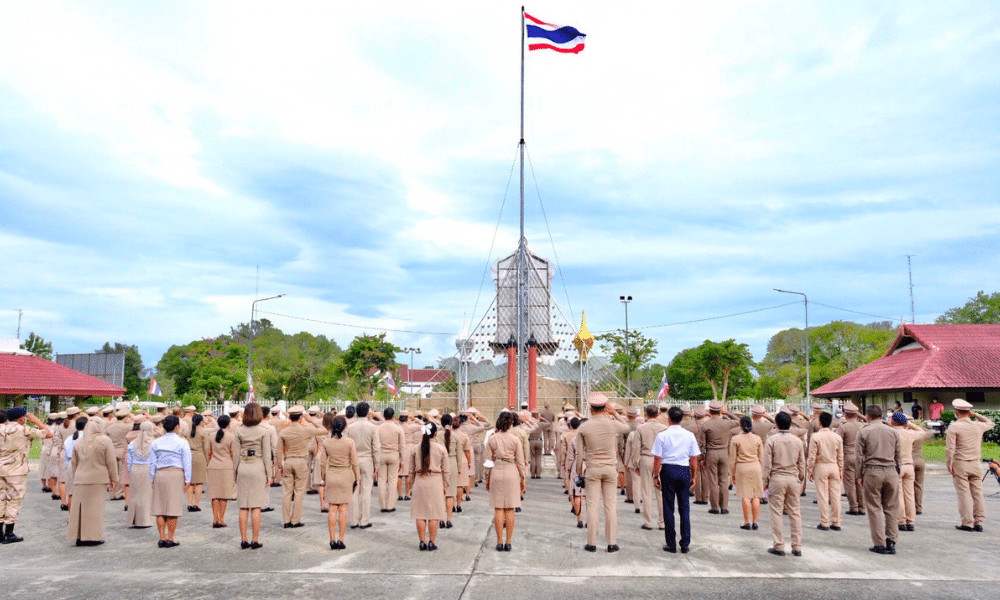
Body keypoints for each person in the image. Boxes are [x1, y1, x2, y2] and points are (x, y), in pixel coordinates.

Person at [575, 393, 631, 553]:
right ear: (605, 408)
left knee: (592, 507)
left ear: (591, 409)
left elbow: (579, 454)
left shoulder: (584, 427)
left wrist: (580, 472)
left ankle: (591, 542)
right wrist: (615, 413)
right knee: (611, 506)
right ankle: (612, 543)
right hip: (610, 468)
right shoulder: (612, 424)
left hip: (592, 468)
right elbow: (627, 427)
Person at [652, 406, 700, 554]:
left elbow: (657, 458)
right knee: (685, 508)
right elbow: (694, 459)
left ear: (669, 419)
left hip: (668, 469)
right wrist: (694, 475)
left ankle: (671, 543)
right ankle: (685, 543)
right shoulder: (689, 435)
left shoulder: (662, 435)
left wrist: (655, 475)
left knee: (668, 507)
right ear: (682, 419)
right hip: (684, 469)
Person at [0, 407, 52, 543]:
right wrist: (37, 422)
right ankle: (9, 533)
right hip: (16, 471)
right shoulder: (24, 430)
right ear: (22, 418)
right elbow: (48, 434)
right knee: (14, 500)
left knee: (0, 500)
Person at [856, 404, 901, 554]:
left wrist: (859, 475)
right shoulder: (893, 432)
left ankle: (879, 543)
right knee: (891, 508)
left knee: (874, 508)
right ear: (881, 416)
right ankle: (892, 540)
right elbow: (898, 455)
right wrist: (897, 473)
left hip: (873, 471)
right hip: (891, 471)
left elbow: (859, 457)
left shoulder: (864, 432)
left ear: (867, 416)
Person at [946, 399, 995, 532]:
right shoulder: (978, 426)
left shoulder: (954, 426)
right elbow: (991, 423)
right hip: (976, 464)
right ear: (969, 412)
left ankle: (967, 522)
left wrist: (948, 463)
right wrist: (976, 415)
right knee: (978, 494)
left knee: (963, 494)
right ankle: (979, 522)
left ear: (957, 413)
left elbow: (950, 448)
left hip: (961, 463)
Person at [67, 418, 118, 546]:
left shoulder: (79, 441)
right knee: (95, 509)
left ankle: (79, 536)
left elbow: (73, 463)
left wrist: (75, 477)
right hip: (98, 479)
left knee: (79, 510)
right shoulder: (105, 440)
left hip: (80, 478)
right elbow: (111, 462)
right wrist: (114, 479)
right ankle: (93, 537)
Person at [762, 411, 805, 557]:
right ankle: (797, 546)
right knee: (795, 512)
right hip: (793, 479)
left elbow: (767, 464)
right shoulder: (797, 441)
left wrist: (764, 482)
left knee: (776, 512)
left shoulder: (771, 440)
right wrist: (801, 479)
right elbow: (802, 463)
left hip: (777, 478)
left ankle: (779, 545)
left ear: (776, 424)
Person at [277, 406, 327, 528]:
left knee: (287, 492)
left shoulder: (284, 432)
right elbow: (325, 430)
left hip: (288, 461)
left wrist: (280, 465)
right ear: (301, 417)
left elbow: (278, 451)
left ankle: (286, 520)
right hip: (301, 462)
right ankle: (295, 520)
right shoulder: (306, 430)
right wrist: (311, 421)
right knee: (299, 492)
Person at [485, 410, 526, 551]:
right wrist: (523, 478)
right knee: (510, 508)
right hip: (511, 471)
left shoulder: (492, 439)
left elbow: (488, 461)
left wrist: (487, 477)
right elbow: (520, 462)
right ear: (511, 423)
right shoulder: (515, 439)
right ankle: (508, 541)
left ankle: (499, 541)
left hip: (496, 469)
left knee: (498, 508)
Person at [317, 416, 359, 550]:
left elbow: (323, 463)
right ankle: (341, 538)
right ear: (345, 427)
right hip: (345, 475)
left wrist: (324, 477)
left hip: (332, 474)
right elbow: (354, 462)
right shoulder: (350, 442)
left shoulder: (327, 443)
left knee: (332, 509)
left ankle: (331, 538)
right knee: (343, 509)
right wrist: (357, 478)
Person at [150, 415, 192, 548]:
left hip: (160, 474)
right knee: (173, 508)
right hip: (176, 473)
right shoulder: (182, 442)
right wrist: (188, 479)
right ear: (177, 427)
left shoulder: (156, 442)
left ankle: (161, 537)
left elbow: (152, 463)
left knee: (160, 508)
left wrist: (152, 478)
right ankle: (171, 537)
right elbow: (187, 462)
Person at [235, 402, 272, 549]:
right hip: (258, 467)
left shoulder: (239, 431)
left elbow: (236, 455)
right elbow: (267, 455)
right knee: (256, 506)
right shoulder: (264, 431)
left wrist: (234, 472)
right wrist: (269, 474)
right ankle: (255, 540)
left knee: (243, 506)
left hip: (243, 466)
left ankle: (243, 539)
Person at [407, 421, 448, 551]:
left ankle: (422, 541)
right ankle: (432, 541)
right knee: (434, 514)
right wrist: (445, 486)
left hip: (420, 480)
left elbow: (411, 470)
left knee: (420, 513)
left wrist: (412, 485)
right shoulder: (441, 449)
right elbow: (446, 471)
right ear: (436, 433)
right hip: (435, 481)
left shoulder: (414, 448)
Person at [696, 401, 741, 515]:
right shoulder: (727, 423)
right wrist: (728, 413)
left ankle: (715, 507)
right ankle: (724, 507)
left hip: (711, 453)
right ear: (720, 411)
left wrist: (702, 458)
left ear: (709, 411)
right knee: (723, 480)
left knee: (713, 480)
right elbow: (739, 421)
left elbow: (702, 444)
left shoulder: (705, 425)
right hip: (724, 452)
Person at [891, 413, 932, 531]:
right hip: (909, 465)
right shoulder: (910, 434)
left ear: (893, 422)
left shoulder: (891, 433)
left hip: (897, 466)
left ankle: (901, 521)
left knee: (899, 495)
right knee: (909, 495)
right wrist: (910, 424)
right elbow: (923, 432)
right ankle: (911, 521)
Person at [345, 401, 379, 530]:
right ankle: (364, 520)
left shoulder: (350, 427)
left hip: (353, 460)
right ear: (367, 412)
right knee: (366, 491)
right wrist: (377, 465)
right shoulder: (372, 427)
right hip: (368, 460)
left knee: (354, 490)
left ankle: (353, 521)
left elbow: (347, 445)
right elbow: (376, 448)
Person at [807, 412, 843, 532]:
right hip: (834, 466)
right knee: (835, 496)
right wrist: (841, 469)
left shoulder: (815, 437)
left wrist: (809, 469)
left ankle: (824, 522)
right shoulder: (837, 437)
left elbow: (812, 456)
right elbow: (840, 456)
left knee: (823, 496)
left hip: (821, 466)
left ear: (819, 423)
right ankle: (836, 522)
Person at [632, 405, 667, 531]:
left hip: (646, 458)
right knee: (661, 492)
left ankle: (648, 522)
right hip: (661, 460)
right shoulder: (664, 428)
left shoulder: (640, 428)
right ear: (657, 414)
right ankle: (662, 522)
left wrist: (635, 464)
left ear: (646, 414)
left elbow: (636, 447)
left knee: (646, 491)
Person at [729, 415, 764, 531]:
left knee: (745, 495)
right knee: (756, 495)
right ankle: (755, 521)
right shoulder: (757, 438)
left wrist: (732, 474)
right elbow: (761, 457)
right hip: (756, 466)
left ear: (740, 425)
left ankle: (746, 521)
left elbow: (732, 459)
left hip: (742, 467)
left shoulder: (735, 439)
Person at [206, 414, 237, 528]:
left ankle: (215, 518)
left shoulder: (211, 436)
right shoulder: (231, 437)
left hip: (213, 465)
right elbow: (233, 454)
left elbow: (209, 452)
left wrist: (209, 462)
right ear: (229, 424)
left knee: (214, 495)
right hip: (226, 466)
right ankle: (221, 519)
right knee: (224, 495)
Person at [837, 402, 865, 516]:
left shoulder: (844, 427)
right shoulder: (863, 426)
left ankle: (853, 507)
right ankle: (862, 507)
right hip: (861, 457)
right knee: (860, 482)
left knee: (849, 483)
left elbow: (838, 443)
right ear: (856, 414)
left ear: (845, 414)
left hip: (848, 456)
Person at [126, 422, 156, 528]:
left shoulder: (133, 443)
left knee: (135, 494)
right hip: (147, 468)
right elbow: (154, 460)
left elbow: (129, 461)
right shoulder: (154, 443)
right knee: (146, 496)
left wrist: (130, 472)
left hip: (135, 468)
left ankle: (134, 519)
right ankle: (145, 520)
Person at [376, 407, 406, 513]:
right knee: (393, 480)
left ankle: (383, 505)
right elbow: (402, 446)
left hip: (381, 455)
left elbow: (375, 444)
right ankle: (390, 505)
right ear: (393, 416)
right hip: (394, 455)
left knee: (382, 480)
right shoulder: (398, 428)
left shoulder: (378, 428)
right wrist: (402, 460)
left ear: (383, 416)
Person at [105, 408, 132, 501]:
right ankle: (119, 493)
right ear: (125, 418)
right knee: (121, 473)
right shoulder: (128, 427)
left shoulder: (109, 427)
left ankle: (112, 492)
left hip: (112, 451)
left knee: (112, 473)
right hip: (122, 450)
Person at [186, 414, 210, 513]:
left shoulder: (187, 432)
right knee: (199, 482)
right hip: (199, 456)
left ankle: (190, 503)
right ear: (200, 422)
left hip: (189, 456)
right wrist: (208, 460)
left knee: (190, 482)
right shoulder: (203, 432)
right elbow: (206, 448)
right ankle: (197, 504)